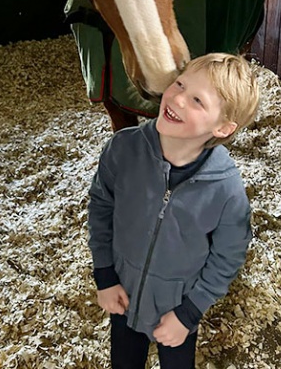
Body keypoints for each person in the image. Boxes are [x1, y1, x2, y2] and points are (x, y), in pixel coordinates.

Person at [87, 52, 259, 369]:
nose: (178, 98)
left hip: (177, 305)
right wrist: (105, 276)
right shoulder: (123, 149)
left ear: (223, 127)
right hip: (122, 293)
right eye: (180, 84)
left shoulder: (226, 191)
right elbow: (101, 208)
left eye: (197, 100)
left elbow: (229, 256)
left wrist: (189, 313)